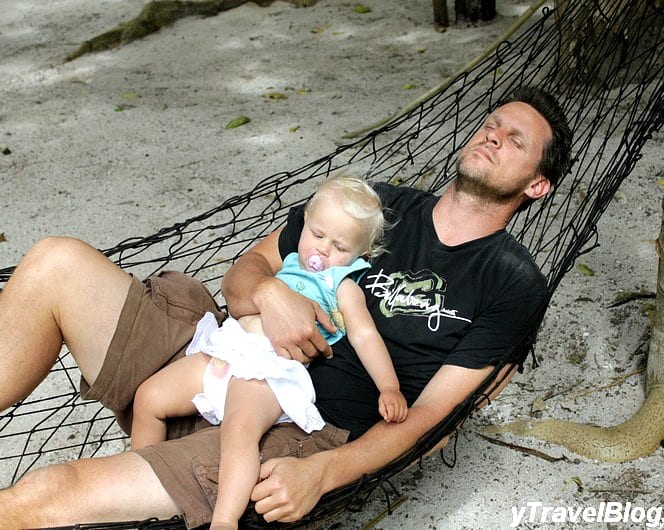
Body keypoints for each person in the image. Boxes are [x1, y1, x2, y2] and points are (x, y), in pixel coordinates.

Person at [0, 86, 572, 529]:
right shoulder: (375, 207)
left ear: (537, 186)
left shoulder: (512, 283)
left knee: (45, 497)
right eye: (493, 123)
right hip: (216, 360)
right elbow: (243, 273)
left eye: (516, 140)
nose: (494, 135)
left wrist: (322, 471)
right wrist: (272, 295)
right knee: (56, 261)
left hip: (292, 431)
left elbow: (434, 421)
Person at [130, 175, 407, 529]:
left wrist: (389, 387)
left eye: (340, 247)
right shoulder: (289, 263)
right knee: (148, 397)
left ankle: (224, 521)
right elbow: (242, 277)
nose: (323, 250)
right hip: (226, 352)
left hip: (268, 372)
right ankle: (142, 491)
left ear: (360, 256)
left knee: (239, 430)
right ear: (304, 224)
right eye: (318, 235)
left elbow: (366, 335)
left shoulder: (342, 286)